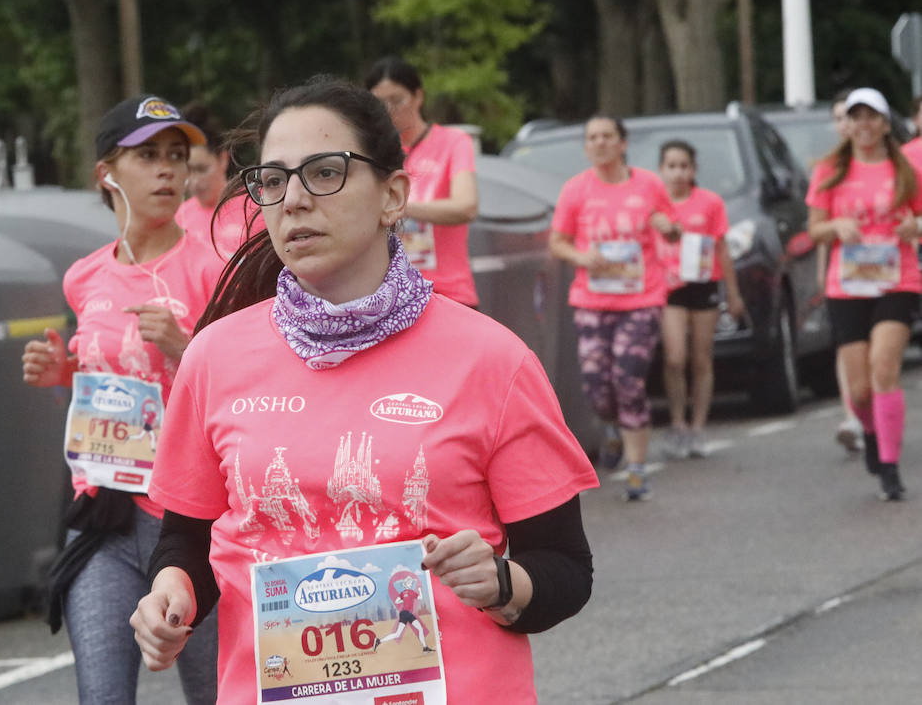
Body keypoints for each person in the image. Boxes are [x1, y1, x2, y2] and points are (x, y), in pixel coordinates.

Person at [129, 77, 598, 702]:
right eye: (272, 180)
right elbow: (186, 541)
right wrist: (173, 593)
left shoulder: (492, 359)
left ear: (393, 196)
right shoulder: (214, 356)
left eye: (325, 172)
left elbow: (565, 568)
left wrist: (502, 583)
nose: (293, 200)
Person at [21, 95, 222, 704]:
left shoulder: (212, 268)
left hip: (191, 525)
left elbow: (246, 393)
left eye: (176, 157)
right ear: (107, 174)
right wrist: (63, 371)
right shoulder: (84, 278)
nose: (168, 171)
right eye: (149, 157)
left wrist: (184, 348)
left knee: (215, 695)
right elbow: (107, 379)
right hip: (105, 516)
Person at [548, 116, 680, 501]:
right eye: (592, 138)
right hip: (592, 300)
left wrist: (666, 225)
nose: (600, 143)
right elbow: (559, 242)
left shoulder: (650, 185)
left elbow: (674, 228)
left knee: (629, 379)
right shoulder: (576, 190)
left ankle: (638, 469)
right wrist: (582, 257)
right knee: (597, 387)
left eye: (607, 137)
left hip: (641, 298)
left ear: (622, 143)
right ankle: (610, 427)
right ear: (586, 146)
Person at [806, 86, 920, 501]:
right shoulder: (830, 170)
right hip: (848, 284)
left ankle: (890, 466)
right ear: (847, 124)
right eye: (857, 117)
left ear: (885, 123)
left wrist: (916, 227)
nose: (865, 124)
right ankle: (871, 432)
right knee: (858, 390)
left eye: (872, 116)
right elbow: (814, 229)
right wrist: (836, 228)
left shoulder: (904, 168)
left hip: (897, 279)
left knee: (884, 367)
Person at [655, 140, 745, 458]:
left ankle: (698, 426)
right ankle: (678, 422)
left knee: (701, 358)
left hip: (704, 284)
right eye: (671, 166)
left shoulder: (709, 203)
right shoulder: (655, 206)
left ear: (693, 170)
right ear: (661, 169)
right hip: (669, 289)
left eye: (684, 166)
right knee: (675, 357)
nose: (678, 172)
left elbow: (722, 248)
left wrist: (733, 294)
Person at [365, 56, 480, 306]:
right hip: (391, 298)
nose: (388, 110)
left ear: (418, 97)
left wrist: (399, 207)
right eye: (378, 103)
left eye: (396, 100)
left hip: (449, 294)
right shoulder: (371, 154)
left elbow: (466, 207)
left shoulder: (453, 142)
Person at [824, 93, 866, 453]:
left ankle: (874, 413)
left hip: (888, 276)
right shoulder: (827, 169)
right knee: (846, 348)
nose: (845, 125)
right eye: (838, 118)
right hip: (844, 277)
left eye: (848, 117)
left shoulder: (889, 163)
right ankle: (852, 415)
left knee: (880, 353)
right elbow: (818, 230)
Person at [174, 102, 263, 259]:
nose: (193, 182)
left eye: (202, 169)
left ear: (223, 159)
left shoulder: (256, 206)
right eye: (187, 171)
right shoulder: (178, 218)